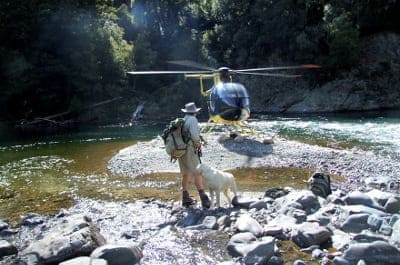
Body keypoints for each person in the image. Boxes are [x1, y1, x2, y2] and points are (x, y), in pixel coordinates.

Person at [178, 102, 211, 208]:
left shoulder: (183, 120)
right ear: (194, 112)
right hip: (190, 151)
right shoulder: (193, 120)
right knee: (197, 173)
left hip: (181, 150)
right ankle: (204, 198)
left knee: (186, 174)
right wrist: (198, 145)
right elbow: (195, 137)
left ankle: (185, 197)